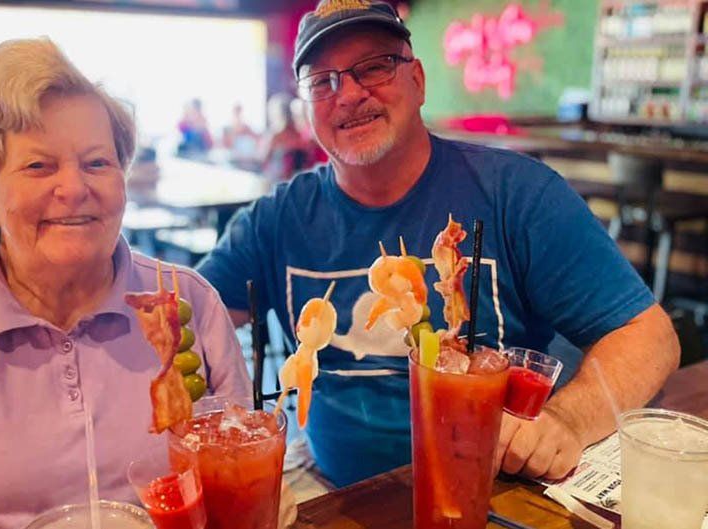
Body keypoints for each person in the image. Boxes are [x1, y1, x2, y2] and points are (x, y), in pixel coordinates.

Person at [197, 0, 680, 488]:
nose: (348, 94)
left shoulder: (516, 193)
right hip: (333, 492)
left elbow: (648, 335)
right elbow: (188, 322)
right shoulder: (276, 219)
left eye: (375, 67)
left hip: (493, 492)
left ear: (418, 80)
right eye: (323, 81)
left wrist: (568, 422)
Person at [0, 38, 250, 529]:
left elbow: (235, 485)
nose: (74, 189)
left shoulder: (188, 300)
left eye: (96, 163)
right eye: (38, 166)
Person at [260, 93, 314, 185]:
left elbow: (263, 159)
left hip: (277, 182)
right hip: (299, 182)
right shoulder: (298, 134)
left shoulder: (275, 136)